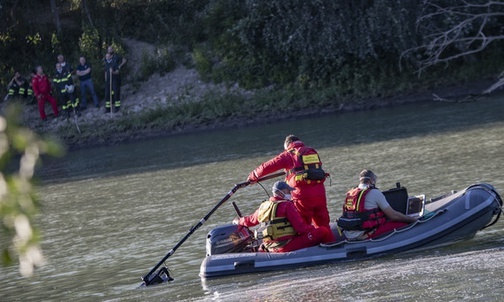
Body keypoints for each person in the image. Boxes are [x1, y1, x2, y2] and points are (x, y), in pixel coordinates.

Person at [247, 134, 335, 241]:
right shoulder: (311, 152)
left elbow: (268, 166)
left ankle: (308, 247)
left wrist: (253, 176)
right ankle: (330, 242)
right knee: (323, 223)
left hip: (302, 196)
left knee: (303, 225)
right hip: (320, 193)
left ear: (288, 145)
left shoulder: (289, 154)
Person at [233, 181, 333, 252]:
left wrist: (238, 221)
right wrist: (313, 228)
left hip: (269, 246)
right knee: (323, 230)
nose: (290, 193)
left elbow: (249, 221)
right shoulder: (287, 205)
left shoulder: (263, 206)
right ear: (281, 192)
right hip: (286, 245)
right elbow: (301, 229)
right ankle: (331, 251)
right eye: (288, 191)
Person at [337, 169, 418, 240]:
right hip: (364, 235)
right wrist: (412, 220)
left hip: (349, 235)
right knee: (402, 224)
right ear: (371, 180)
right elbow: (393, 216)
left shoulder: (350, 194)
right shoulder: (375, 192)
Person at [104, 46, 126, 113]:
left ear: (110, 57)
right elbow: (105, 71)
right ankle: (107, 108)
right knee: (107, 94)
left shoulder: (114, 63)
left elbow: (117, 72)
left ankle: (117, 107)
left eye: (108, 57)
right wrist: (105, 78)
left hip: (115, 80)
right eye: (106, 57)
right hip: (108, 81)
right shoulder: (106, 63)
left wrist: (113, 72)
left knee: (116, 93)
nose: (107, 58)